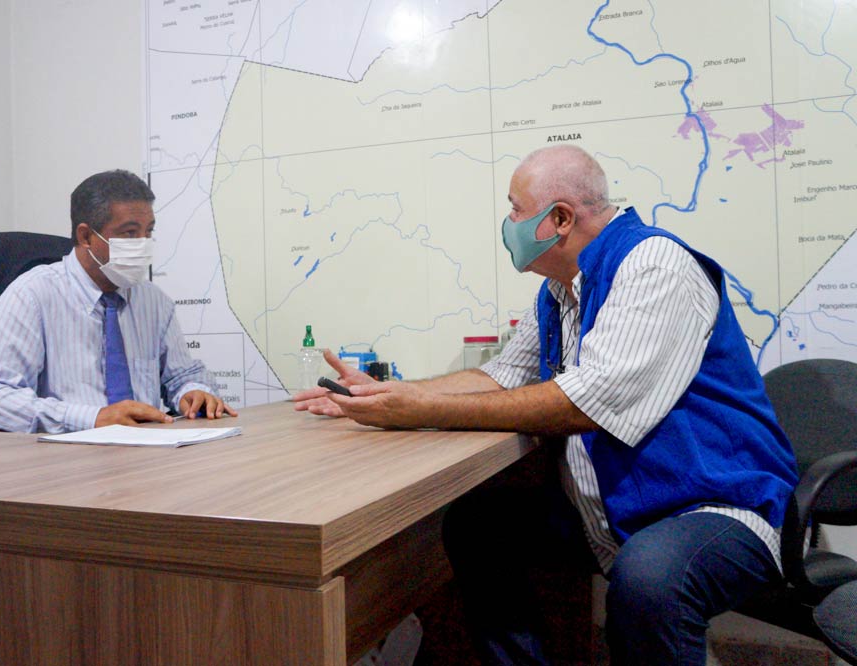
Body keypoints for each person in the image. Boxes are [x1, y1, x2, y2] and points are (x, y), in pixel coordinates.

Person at [292, 145, 798, 665]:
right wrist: (379, 396)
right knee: (477, 523)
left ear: (558, 219)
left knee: (648, 581)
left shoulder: (654, 264)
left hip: (715, 507)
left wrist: (419, 408)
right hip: (618, 510)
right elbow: (501, 376)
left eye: (514, 208)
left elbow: (588, 403)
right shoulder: (559, 292)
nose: (507, 222)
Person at [0, 169, 236, 433]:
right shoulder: (32, 295)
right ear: (86, 237)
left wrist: (194, 392)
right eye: (129, 233)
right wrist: (91, 418)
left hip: (148, 457)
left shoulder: (154, 301)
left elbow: (182, 376)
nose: (143, 243)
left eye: (148, 232)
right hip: (63, 465)